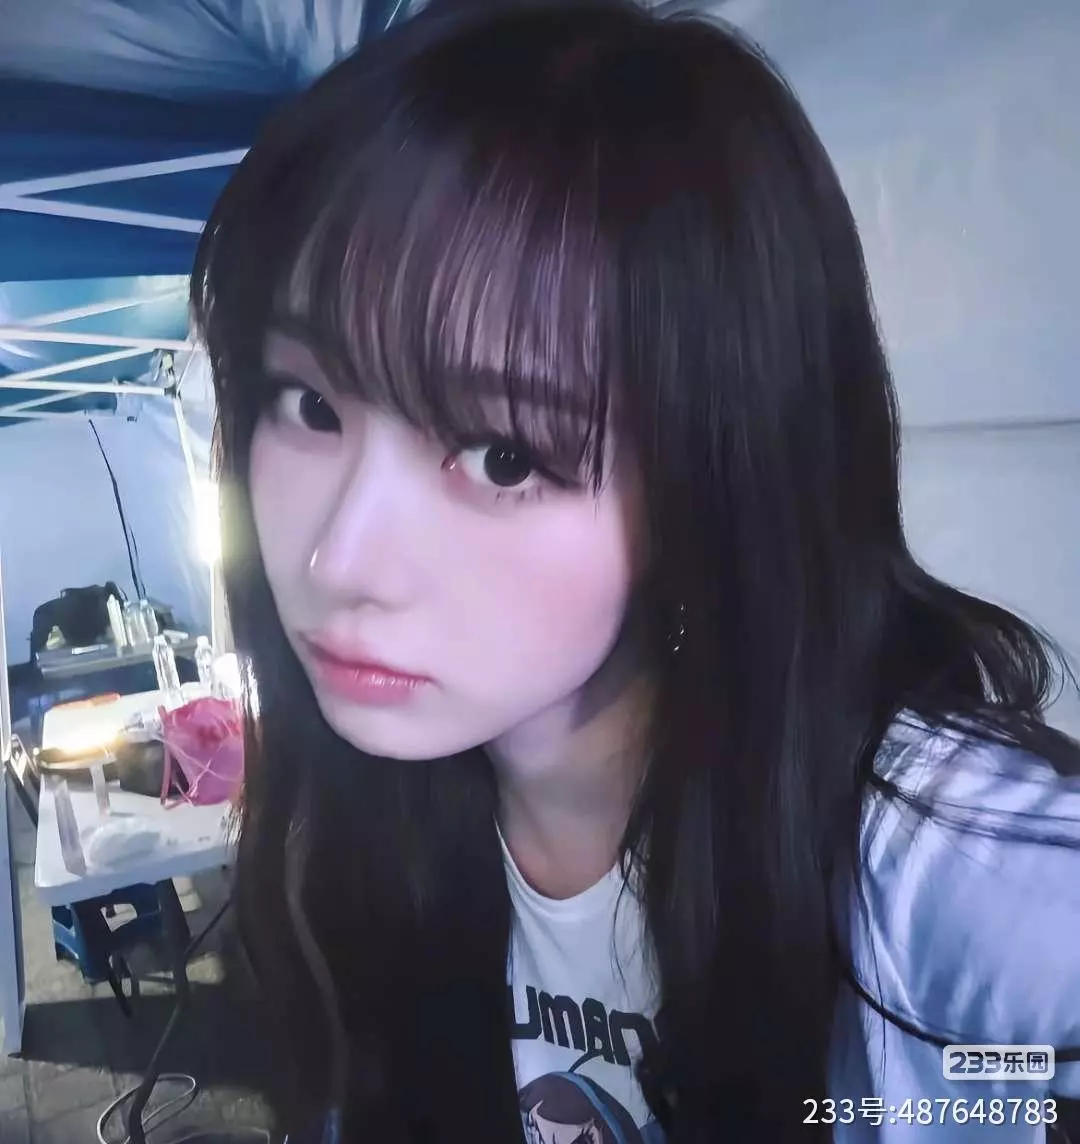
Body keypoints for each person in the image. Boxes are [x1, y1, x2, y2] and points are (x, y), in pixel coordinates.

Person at [190, 1, 1080, 1140]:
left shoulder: (934, 856)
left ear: (716, 473)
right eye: (310, 405)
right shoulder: (350, 829)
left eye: (504, 456)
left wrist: (985, 1085)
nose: (337, 557)